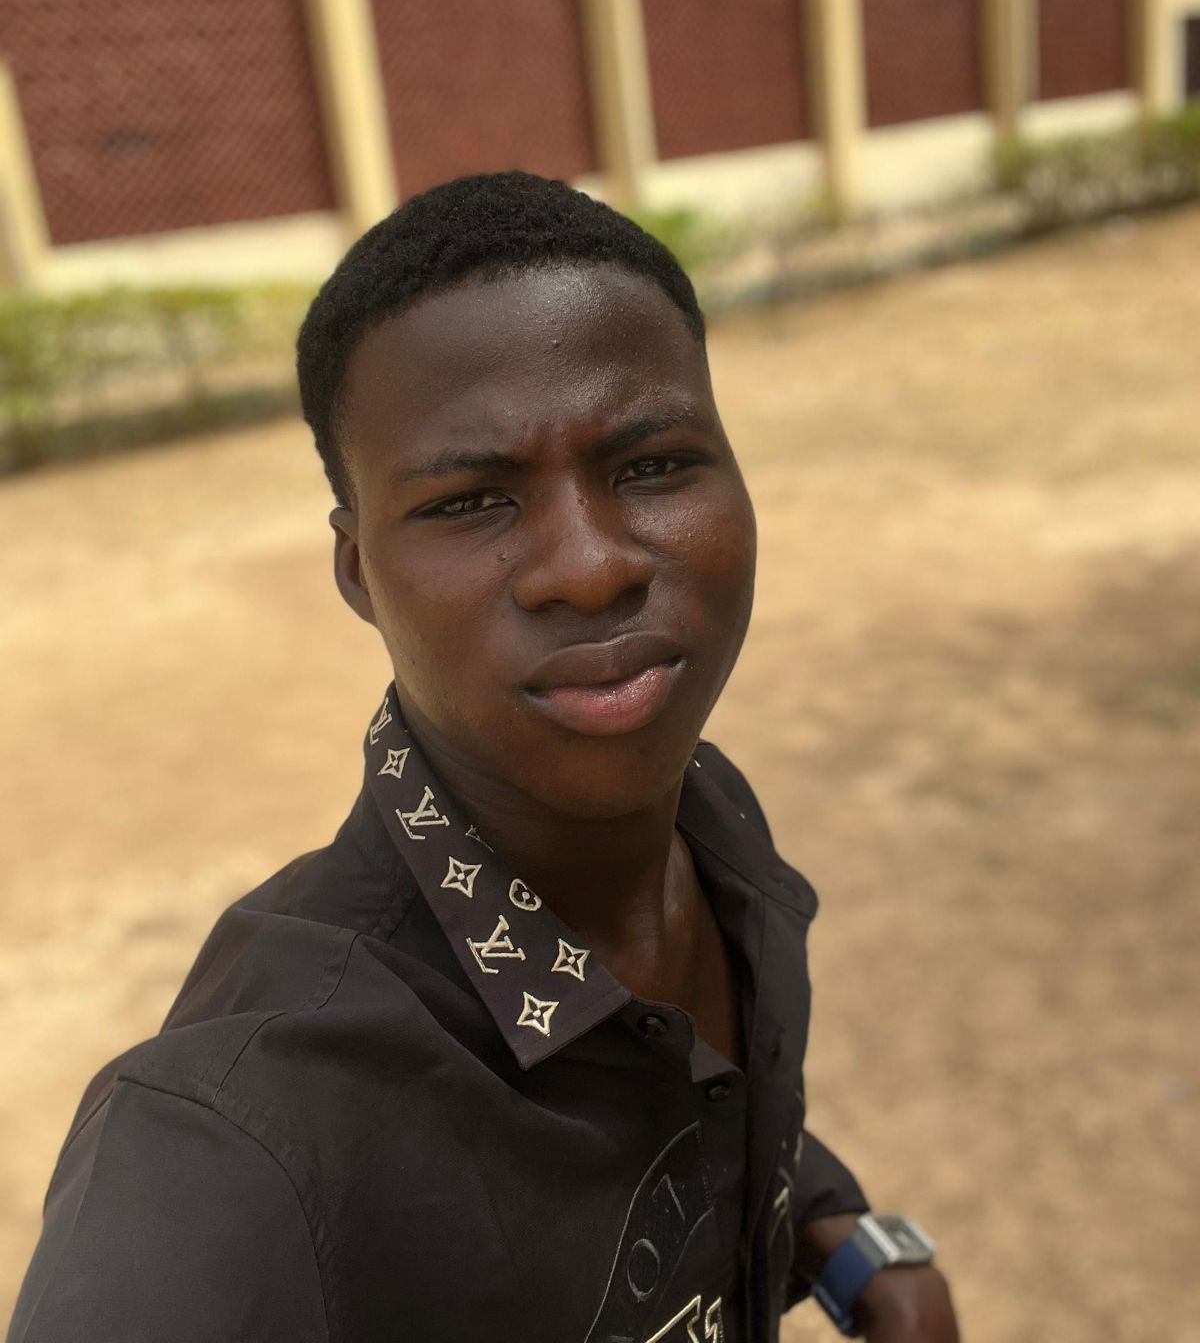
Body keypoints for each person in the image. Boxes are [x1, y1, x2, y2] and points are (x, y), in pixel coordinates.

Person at [8, 173, 959, 1343]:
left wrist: (843, 1233)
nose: (590, 567)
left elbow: (682, 1098)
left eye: (653, 465)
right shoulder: (239, 1135)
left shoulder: (711, 828)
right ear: (358, 571)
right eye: (471, 502)